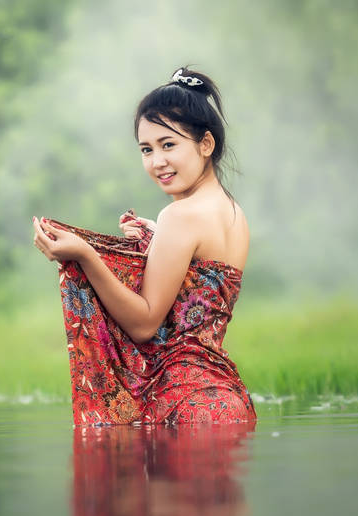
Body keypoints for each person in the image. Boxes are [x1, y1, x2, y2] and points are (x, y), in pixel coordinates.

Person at [32, 67, 256, 425]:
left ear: (206, 144)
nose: (157, 162)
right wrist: (157, 239)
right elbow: (199, 280)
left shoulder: (179, 216)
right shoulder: (232, 212)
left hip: (184, 401)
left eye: (169, 145)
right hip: (227, 401)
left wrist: (85, 255)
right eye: (146, 149)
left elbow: (144, 324)